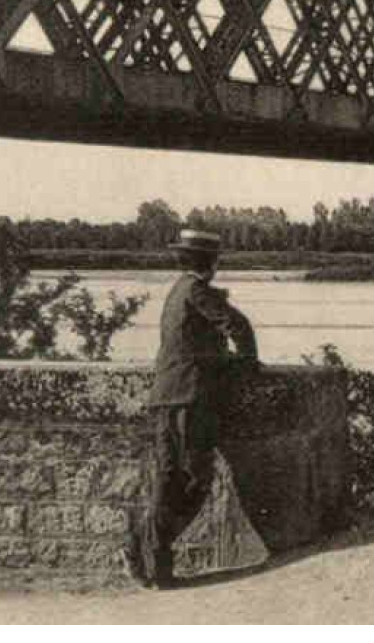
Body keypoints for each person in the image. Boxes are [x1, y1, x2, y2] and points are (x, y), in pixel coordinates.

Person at [124, 228, 259, 589]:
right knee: (194, 480)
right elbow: (238, 325)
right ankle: (146, 552)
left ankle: (149, 559)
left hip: (167, 395)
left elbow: (194, 342)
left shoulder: (177, 291)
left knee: (170, 481)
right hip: (188, 397)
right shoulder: (197, 291)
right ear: (211, 263)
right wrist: (247, 364)